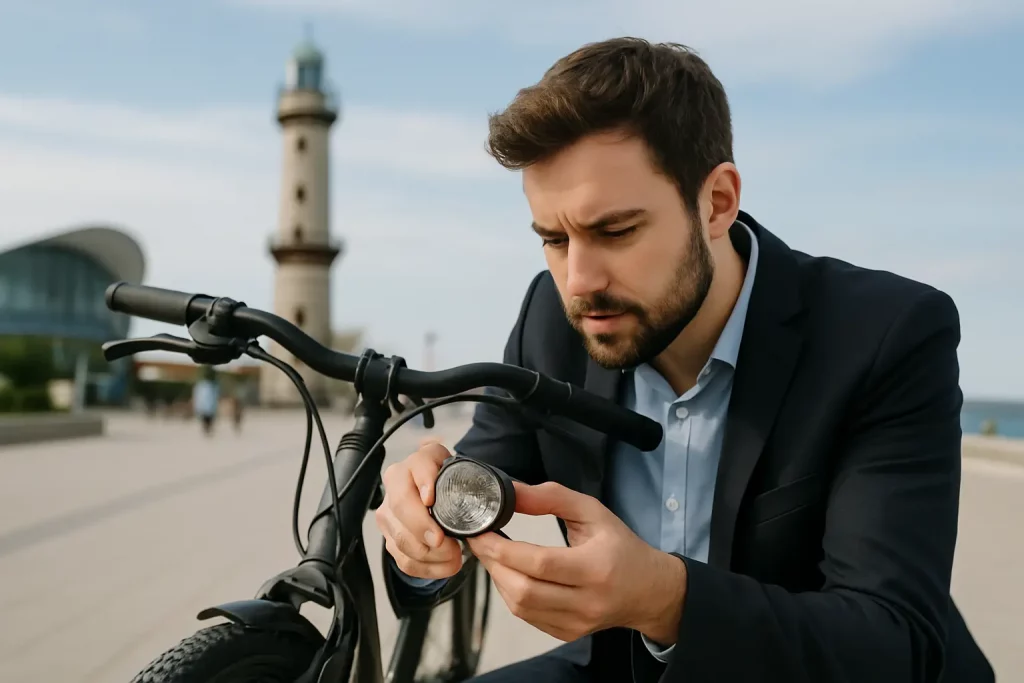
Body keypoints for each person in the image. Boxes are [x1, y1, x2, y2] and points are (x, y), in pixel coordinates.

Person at [375, 37, 995, 683]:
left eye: (614, 231)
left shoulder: (885, 331)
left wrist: (667, 598)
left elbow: (894, 643)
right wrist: (420, 527)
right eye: (554, 239)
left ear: (717, 202)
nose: (578, 279)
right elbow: (480, 477)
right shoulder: (551, 317)